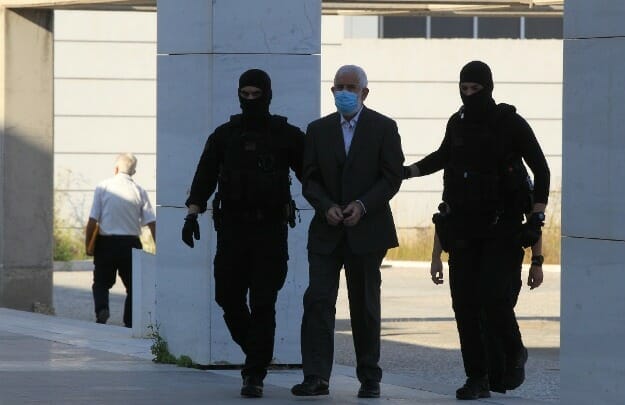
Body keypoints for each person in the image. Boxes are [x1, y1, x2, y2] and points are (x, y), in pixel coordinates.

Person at [404, 60, 550, 400]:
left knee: (494, 297)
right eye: (464, 88)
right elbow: (441, 157)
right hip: (464, 229)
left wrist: (537, 216)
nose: (469, 94)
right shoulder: (457, 123)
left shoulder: (510, 123)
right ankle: (476, 377)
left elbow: (540, 169)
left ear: (489, 88)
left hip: (502, 228)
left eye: (475, 89)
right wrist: (407, 172)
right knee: (464, 305)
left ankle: (514, 351)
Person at [181, 68, 304, 398]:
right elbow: (204, 178)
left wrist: (331, 205)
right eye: (245, 94)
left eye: (256, 95)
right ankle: (257, 352)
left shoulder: (286, 135)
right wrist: (192, 215)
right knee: (227, 297)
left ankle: (254, 374)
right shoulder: (224, 136)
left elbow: (312, 174)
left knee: (263, 302)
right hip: (233, 231)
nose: (250, 100)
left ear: (267, 95)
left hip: (270, 232)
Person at [291, 65, 404, 399]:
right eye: (338, 86)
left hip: (368, 231)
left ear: (364, 92)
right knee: (318, 301)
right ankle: (316, 376)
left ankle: (369, 377)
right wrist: (325, 205)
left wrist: (363, 205)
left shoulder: (384, 128)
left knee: (364, 305)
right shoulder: (318, 130)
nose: (344, 92)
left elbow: (391, 176)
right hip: (326, 231)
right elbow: (309, 178)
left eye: (350, 87)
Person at [85, 153, 156, 328]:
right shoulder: (139, 191)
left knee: (101, 283)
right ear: (134, 172)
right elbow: (151, 222)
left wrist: (88, 246)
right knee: (133, 286)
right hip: (131, 244)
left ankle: (102, 309)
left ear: (116, 169)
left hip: (106, 243)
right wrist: (159, 246)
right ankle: (129, 322)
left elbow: (93, 220)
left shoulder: (103, 187)